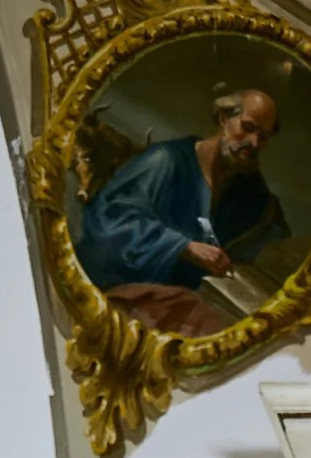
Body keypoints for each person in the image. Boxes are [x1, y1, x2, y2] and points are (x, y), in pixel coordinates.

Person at [72, 83, 288, 338]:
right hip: (124, 296)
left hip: (194, 303)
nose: (254, 143)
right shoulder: (165, 161)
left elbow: (274, 243)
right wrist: (183, 247)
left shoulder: (251, 193)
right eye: (248, 128)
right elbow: (109, 225)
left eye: (264, 137)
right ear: (224, 119)